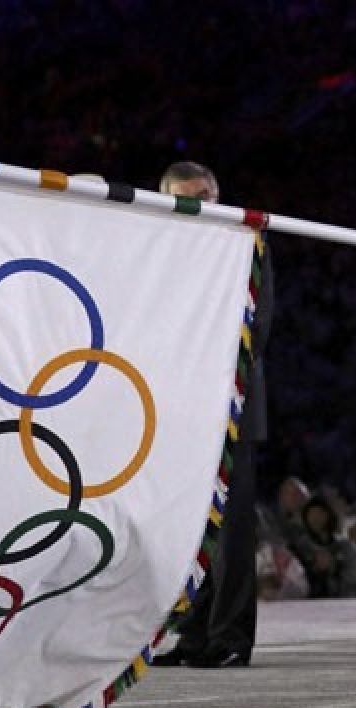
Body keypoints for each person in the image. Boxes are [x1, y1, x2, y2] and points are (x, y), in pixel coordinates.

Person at [153, 162, 271, 668]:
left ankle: (231, 637)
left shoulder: (248, 244)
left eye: (206, 195)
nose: (200, 205)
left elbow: (257, 326)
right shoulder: (159, 255)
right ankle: (194, 633)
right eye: (187, 198)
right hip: (178, 411)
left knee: (232, 532)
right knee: (187, 530)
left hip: (232, 406)